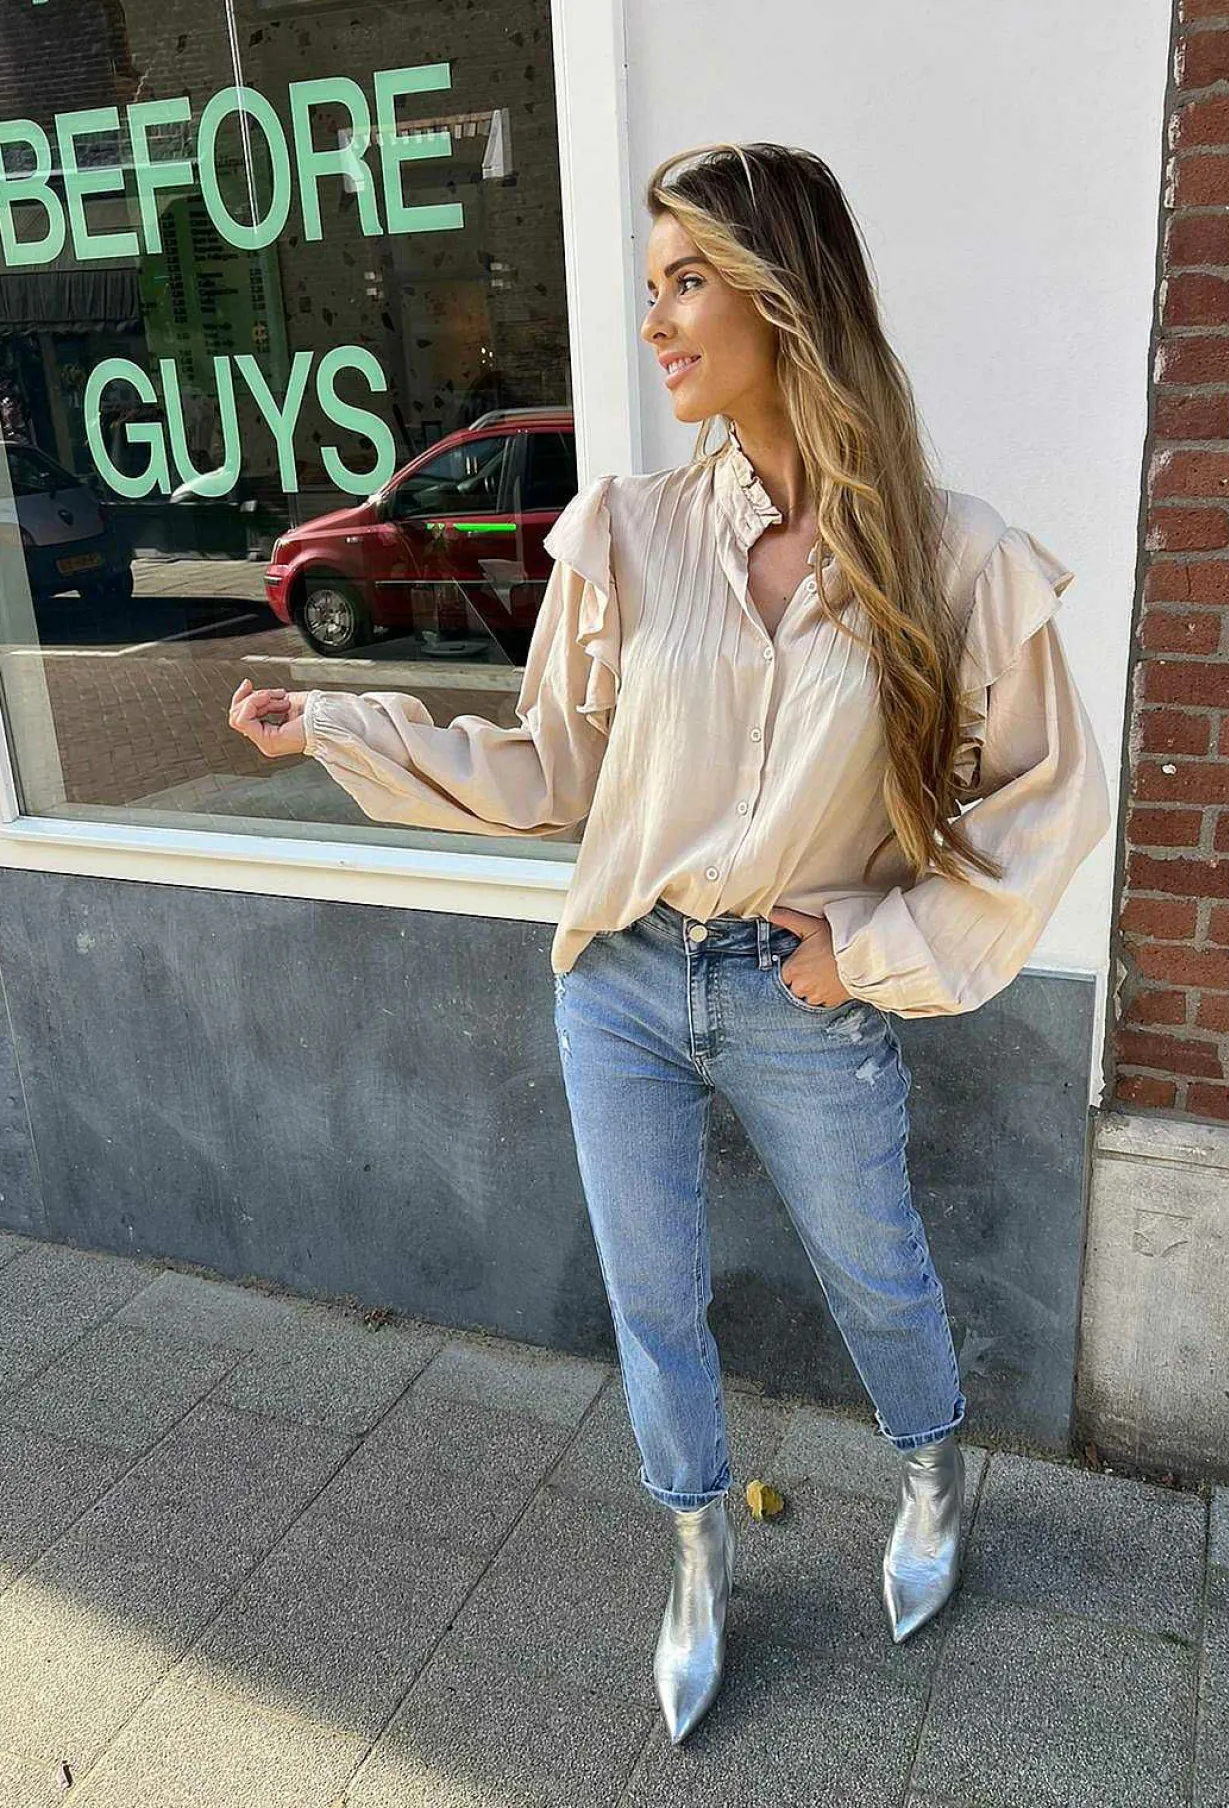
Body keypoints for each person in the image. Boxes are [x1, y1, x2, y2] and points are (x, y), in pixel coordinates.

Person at [228, 140, 1112, 1746]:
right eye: (651, 287)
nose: (653, 323)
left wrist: (875, 947)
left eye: (687, 282)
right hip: (625, 978)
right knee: (653, 1301)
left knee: (877, 1276)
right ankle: (698, 1552)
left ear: (786, 296)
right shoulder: (629, 534)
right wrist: (341, 725)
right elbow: (552, 772)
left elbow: (1048, 805)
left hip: (801, 988)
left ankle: (932, 1475)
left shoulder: (955, 556)